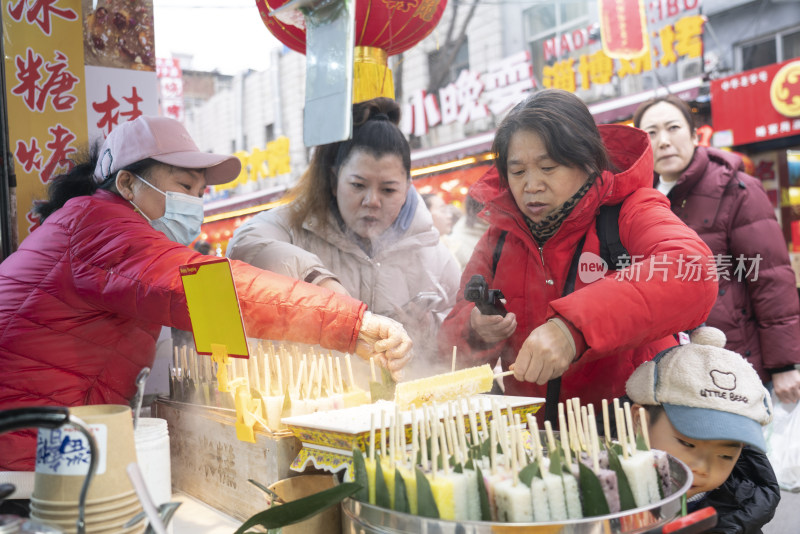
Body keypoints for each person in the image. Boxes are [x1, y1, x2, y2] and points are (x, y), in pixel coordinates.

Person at [0, 116, 412, 473]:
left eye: (199, 194)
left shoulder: (89, 225)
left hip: (47, 441)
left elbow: (206, 309)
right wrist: (348, 323)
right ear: (126, 182)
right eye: (183, 186)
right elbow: (209, 290)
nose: (194, 204)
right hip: (22, 450)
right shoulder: (98, 228)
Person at [440, 89, 718, 412]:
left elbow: (693, 270)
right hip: (535, 442)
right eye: (518, 172)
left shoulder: (628, 209)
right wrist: (475, 329)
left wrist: (573, 331)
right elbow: (446, 347)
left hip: (631, 431)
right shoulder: (498, 240)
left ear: (587, 162)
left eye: (548, 167)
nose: (531, 185)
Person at [227, 98, 460, 368]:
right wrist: (319, 281)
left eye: (388, 190)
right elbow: (246, 245)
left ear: (408, 186)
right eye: (358, 185)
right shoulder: (297, 224)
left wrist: (431, 328)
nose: (372, 201)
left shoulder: (431, 251)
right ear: (335, 180)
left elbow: (457, 329)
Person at [633, 95, 800, 405]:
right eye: (651, 133)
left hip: (736, 363)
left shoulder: (737, 189)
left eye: (673, 128)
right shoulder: (640, 200)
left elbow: (771, 277)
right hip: (673, 368)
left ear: (696, 135)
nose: (664, 141)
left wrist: (784, 364)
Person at [625, 326, 780, 533]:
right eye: (687, 443)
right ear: (639, 422)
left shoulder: (741, 514)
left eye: (725, 455)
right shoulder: (598, 499)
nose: (701, 467)